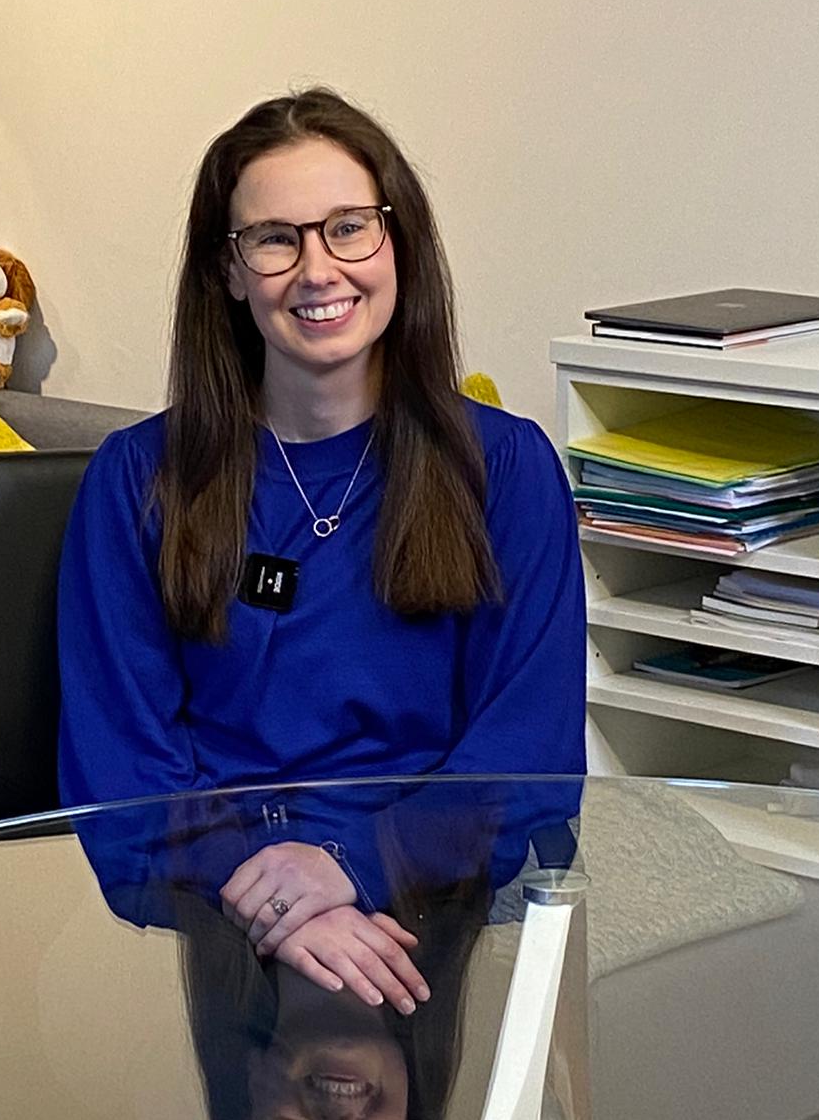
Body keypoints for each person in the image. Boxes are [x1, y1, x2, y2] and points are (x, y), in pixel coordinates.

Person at [57, 86, 585, 1009]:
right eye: (274, 239)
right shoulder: (137, 480)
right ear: (227, 271)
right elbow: (123, 763)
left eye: (349, 227)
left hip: (434, 895)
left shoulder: (505, 470)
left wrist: (351, 866)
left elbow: (527, 753)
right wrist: (277, 897)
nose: (317, 268)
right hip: (217, 903)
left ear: (398, 245)